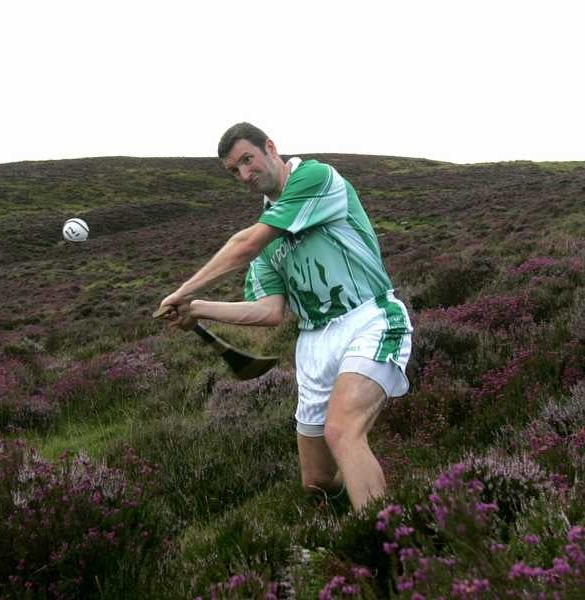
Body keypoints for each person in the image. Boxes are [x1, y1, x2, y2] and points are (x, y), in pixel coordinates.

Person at [158, 122, 413, 511]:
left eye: (248, 159)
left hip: (368, 317)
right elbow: (270, 311)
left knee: (342, 431)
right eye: (234, 170)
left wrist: (184, 290)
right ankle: (370, 502)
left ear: (270, 148)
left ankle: (390, 547)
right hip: (313, 343)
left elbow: (244, 245)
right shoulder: (268, 239)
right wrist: (197, 309)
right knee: (318, 481)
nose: (245, 174)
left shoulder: (315, 177)